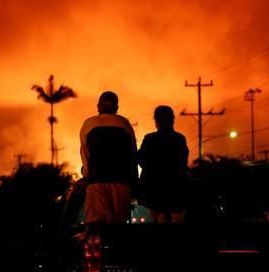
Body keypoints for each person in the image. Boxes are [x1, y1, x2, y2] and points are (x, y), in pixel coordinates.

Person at [80, 91, 138, 224]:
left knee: (98, 225)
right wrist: (134, 181)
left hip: (98, 182)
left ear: (98, 106)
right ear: (116, 108)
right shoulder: (125, 124)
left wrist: (87, 175)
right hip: (122, 183)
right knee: (119, 225)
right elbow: (132, 155)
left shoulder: (89, 124)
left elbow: (85, 155)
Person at [138, 105, 189, 223]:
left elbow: (140, 159)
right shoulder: (179, 139)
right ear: (172, 119)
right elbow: (183, 162)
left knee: (159, 218)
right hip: (175, 187)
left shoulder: (150, 139)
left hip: (154, 188)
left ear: (156, 121)